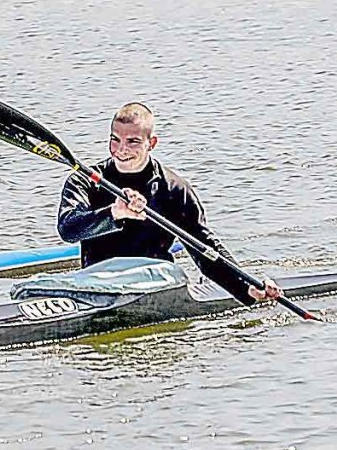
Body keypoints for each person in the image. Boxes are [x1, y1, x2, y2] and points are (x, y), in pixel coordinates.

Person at [56, 102, 281, 305]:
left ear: (151, 143)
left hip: (154, 285)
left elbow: (204, 248)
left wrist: (245, 286)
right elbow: (68, 229)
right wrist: (114, 213)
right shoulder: (85, 180)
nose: (121, 150)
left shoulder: (174, 190)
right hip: (97, 282)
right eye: (115, 140)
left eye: (133, 141)